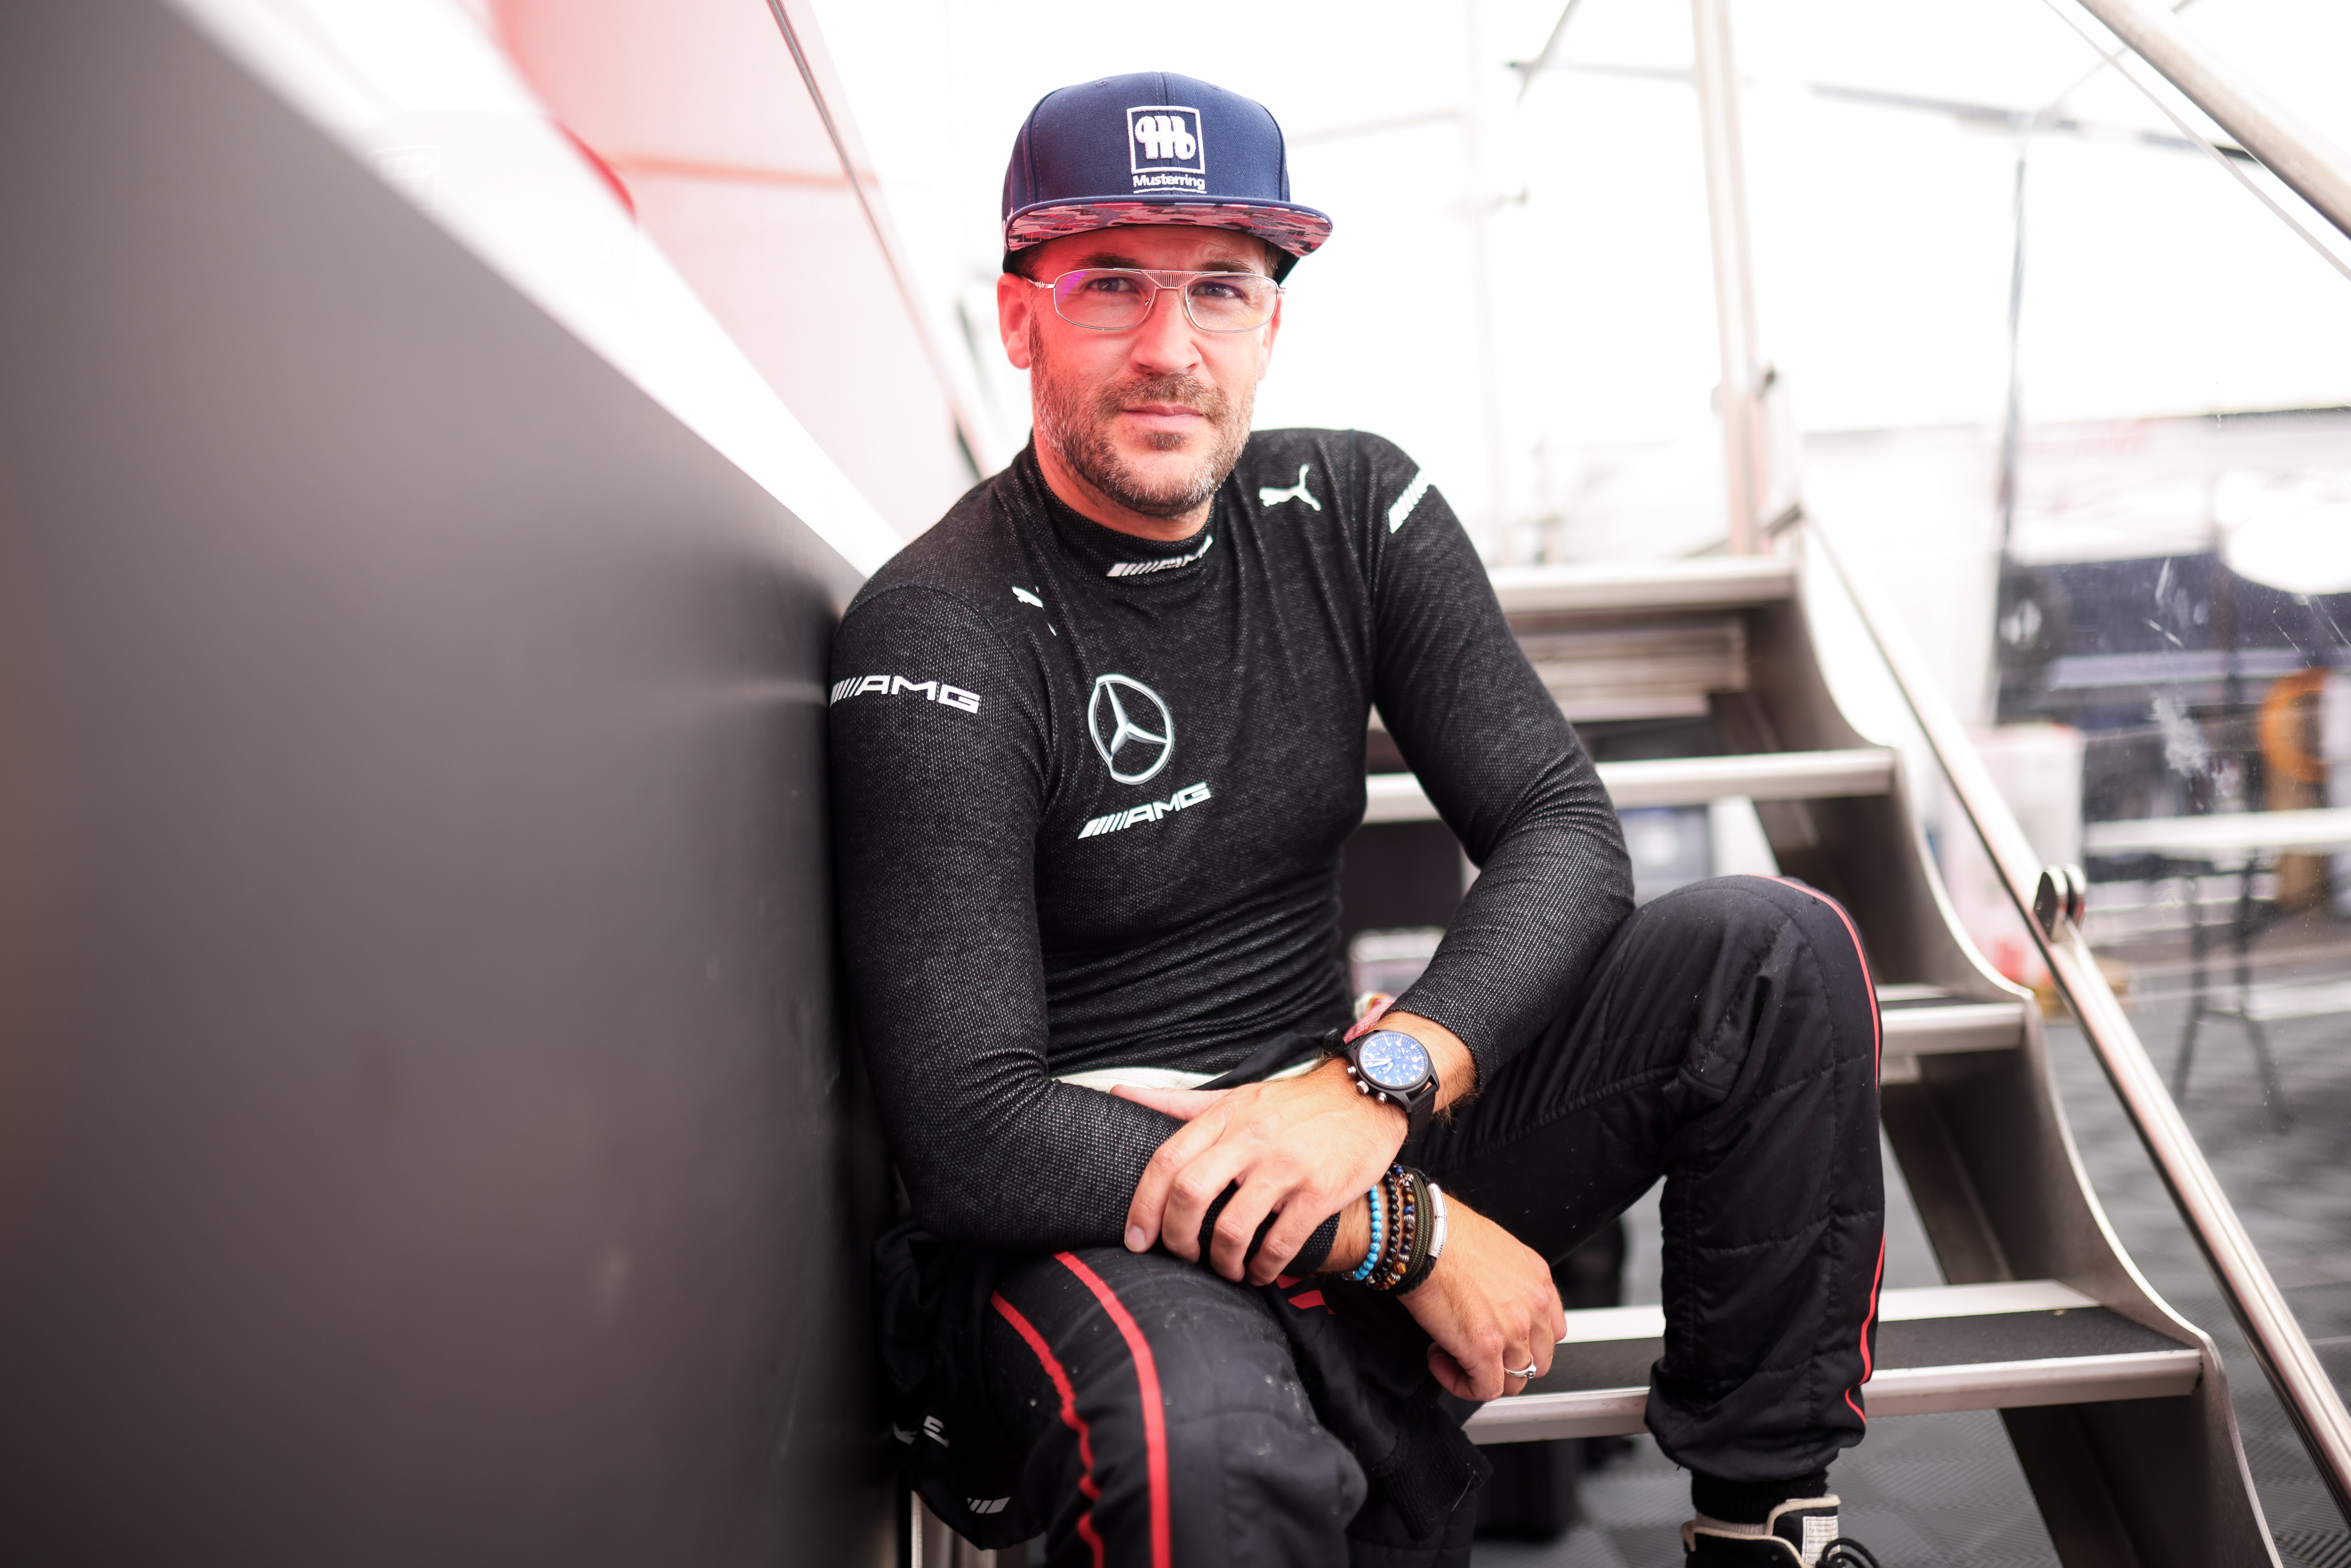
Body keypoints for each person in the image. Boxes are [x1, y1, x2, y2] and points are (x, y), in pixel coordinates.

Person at [832, 71, 1884, 1568]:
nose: (1169, 346)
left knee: (1770, 955)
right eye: (1109, 283)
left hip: (1349, 1114)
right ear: (1019, 318)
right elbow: (973, 1132)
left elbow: (1561, 827)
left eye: (1219, 287)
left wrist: (1381, 1079)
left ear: (1272, 323)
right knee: (1200, 1452)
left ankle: (1762, 1527)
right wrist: (1402, 1229)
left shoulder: (1351, 506)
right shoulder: (941, 629)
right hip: (1095, 1208)